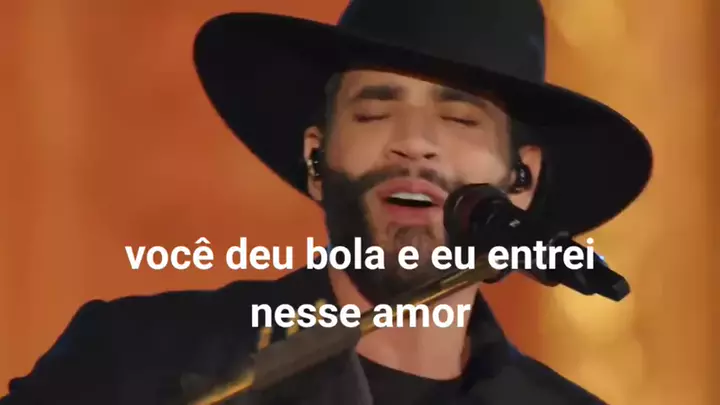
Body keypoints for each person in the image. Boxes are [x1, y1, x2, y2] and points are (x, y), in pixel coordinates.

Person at [0, 0, 653, 404]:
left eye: (459, 119)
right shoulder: (138, 360)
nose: (414, 142)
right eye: (375, 111)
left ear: (522, 182)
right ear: (316, 160)